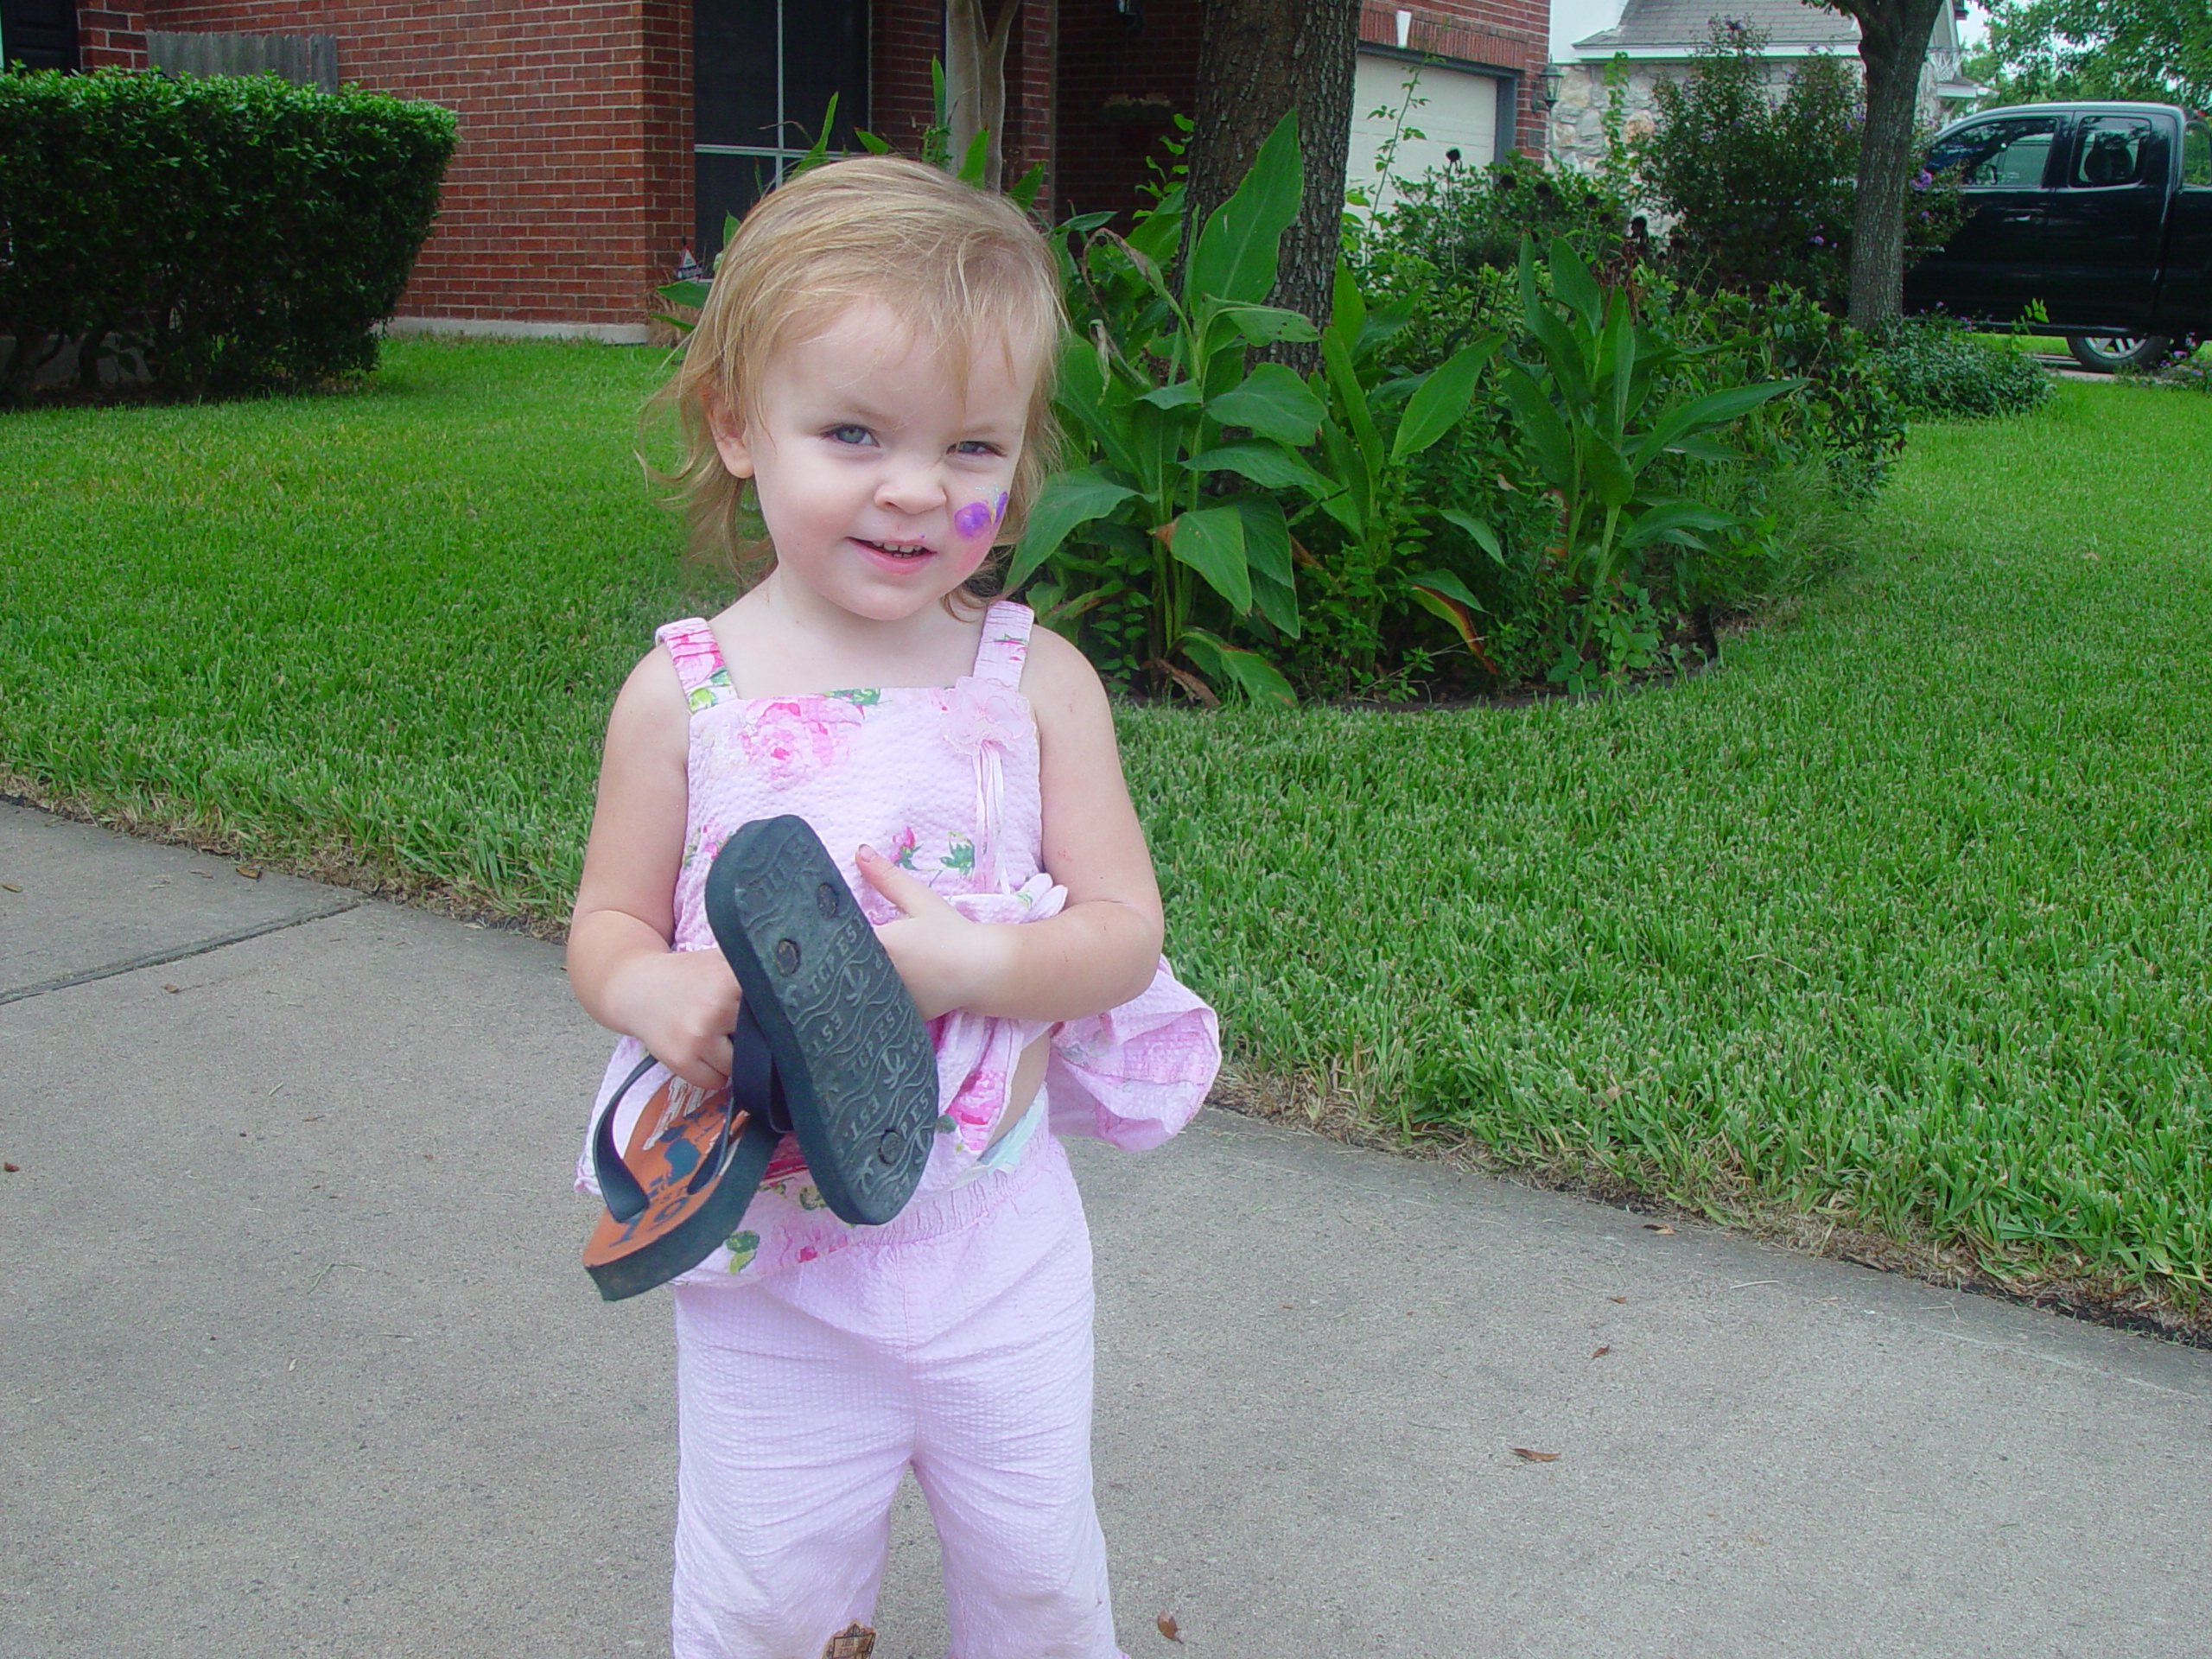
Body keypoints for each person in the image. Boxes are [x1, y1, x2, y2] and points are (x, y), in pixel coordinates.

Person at [565, 155, 1221, 1659]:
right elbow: (604, 924)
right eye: (854, 431)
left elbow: (1122, 929)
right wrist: (652, 991)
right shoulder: (687, 698)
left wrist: (973, 960)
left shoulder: (1033, 685)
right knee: (765, 1599)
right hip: (772, 1277)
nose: (919, 488)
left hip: (998, 1251)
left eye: (972, 444)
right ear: (738, 424)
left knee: (1043, 1581)